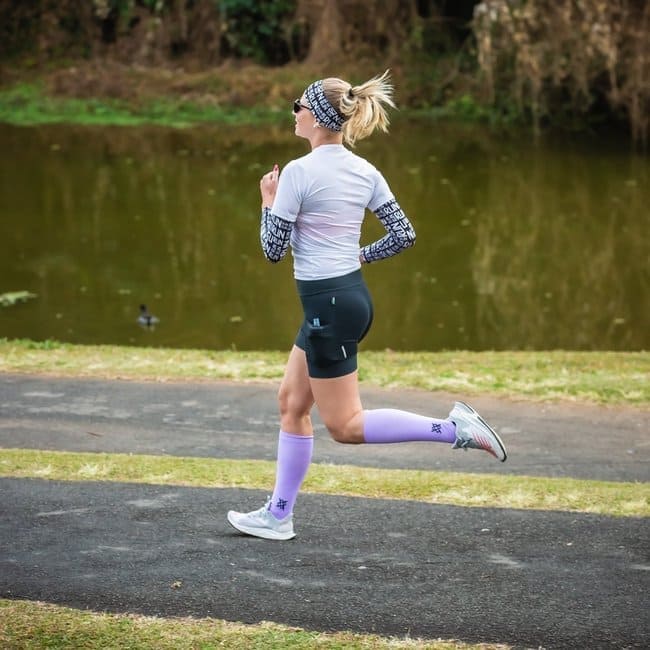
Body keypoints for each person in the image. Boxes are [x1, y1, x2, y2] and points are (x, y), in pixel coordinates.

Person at [227, 71, 507, 541]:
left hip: (328, 307)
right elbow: (404, 234)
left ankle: (454, 428)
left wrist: (267, 203)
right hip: (348, 298)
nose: (293, 111)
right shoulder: (365, 170)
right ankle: (278, 515)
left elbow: (273, 249)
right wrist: (361, 254)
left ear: (314, 115)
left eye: (298, 104)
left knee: (346, 426)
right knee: (292, 403)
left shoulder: (297, 173)